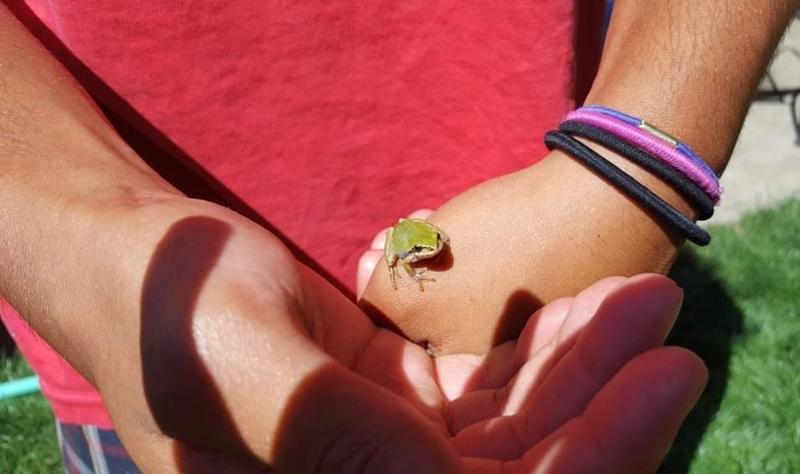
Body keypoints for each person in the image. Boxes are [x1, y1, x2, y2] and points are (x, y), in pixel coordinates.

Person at [0, 0, 796, 471]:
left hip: (525, 249)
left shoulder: (435, 246)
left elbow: (420, 252)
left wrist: (628, 179)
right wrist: (90, 237)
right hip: (129, 322)